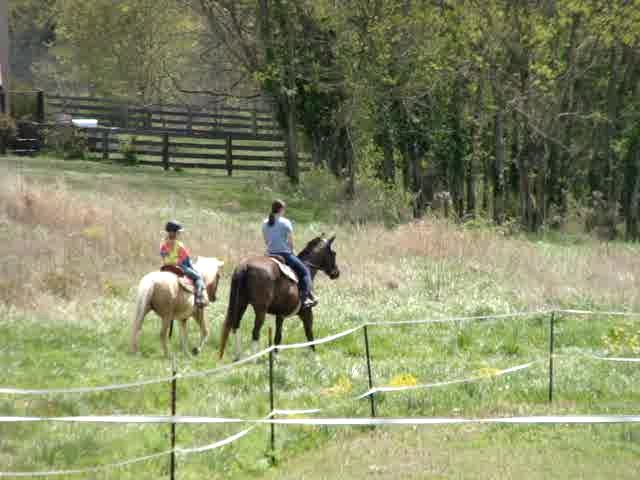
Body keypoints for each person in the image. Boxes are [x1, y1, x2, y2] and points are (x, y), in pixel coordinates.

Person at [262, 200, 317, 309]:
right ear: (281, 209)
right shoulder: (285, 222)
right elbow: (291, 242)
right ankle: (305, 298)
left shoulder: (265, 222)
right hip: (284, 254)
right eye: (284, 209)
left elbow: (266, 241)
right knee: (305, 271)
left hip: (269, 254)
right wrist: (292, 251)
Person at [160, 220, 206, 306]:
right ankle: (199, 297)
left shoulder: (163, 244)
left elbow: (163, 256)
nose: (179, 234)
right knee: (198, 277)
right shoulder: (179, 245)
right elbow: (186, 260)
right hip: (178, 267)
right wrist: (192, 268)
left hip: (165, 267)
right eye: (178, 233)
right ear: (174, 233)